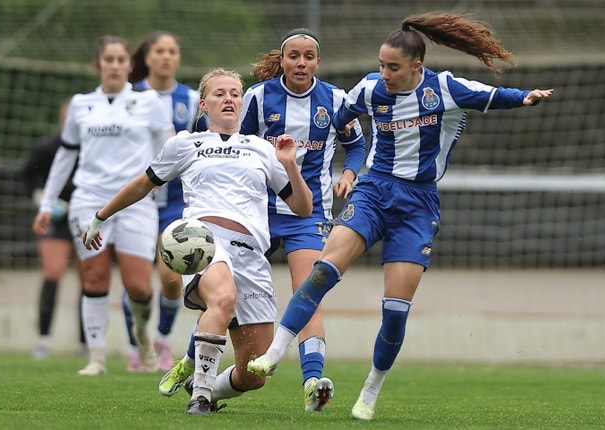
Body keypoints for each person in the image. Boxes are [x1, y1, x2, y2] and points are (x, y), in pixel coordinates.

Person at [247, 12, 555, 420]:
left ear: (416, 66)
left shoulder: (443, 88)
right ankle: (273, 354)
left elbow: (490, 95)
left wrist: (525, 97)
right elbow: (341, 121)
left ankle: (370, 390)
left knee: (394, 311)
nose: (385, 74)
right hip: (374, 192)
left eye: (393, 67)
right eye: (381, 65)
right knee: (322, 272)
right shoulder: (370, 89)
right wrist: (340, 160)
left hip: (417, 204)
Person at [156, 28, 366, 413]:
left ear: (318, 62)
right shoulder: (256, 96)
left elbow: (356, 144)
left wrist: (350, 174)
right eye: (293, 56)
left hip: (308, 213)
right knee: (223, 294)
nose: (300, 63)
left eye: (308, 56)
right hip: (259, 214)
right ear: (282, 60)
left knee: (309, 290)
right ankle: (190, 362)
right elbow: (237, 146)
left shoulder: (337, 99)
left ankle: (312, 381)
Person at [82, 68, 313, 416]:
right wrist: (101, 216)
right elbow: (142, 184)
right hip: (203, 242)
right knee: (222, 300)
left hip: (251, 254)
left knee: (253, 375)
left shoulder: (261, 149)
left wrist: (290, 164)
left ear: (242, 103)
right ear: (204, 104)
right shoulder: (186, 143)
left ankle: (204, 383)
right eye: (220, 93)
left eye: (235, 93)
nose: (229, 99)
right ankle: (200, 398)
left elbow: (303, 207)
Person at [32, 35, 175, 376]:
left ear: (129, 65)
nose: (114, 65)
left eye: (120, 59)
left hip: (135, 201)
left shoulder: (149, 102)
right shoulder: (81, 104)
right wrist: (47, 203)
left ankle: (141, 335)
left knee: (139, 286)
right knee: (94, 279)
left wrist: (166, 181)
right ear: (98, 64)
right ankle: (96, 358)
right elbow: (66, 155)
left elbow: (170, 147)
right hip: (88, 200)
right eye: (108, 59)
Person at [118, 30, 202, 373]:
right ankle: (136, 347)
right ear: (147, 58)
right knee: (136, 282)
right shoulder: (129, 96)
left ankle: (163, 341)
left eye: (172, 51)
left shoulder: (193, 99)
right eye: (160, 51)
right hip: (137, 200)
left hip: (175, 202)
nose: (166, 57)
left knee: (171, 278)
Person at [21, 100, 86, 360]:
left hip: (85, 216)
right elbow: (28, 175)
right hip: (57, 219)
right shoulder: (47, 147)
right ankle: (44, 341)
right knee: (52, 272)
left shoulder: (93, 147)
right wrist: (40, 198)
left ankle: (86, 343)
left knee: (90, 279)